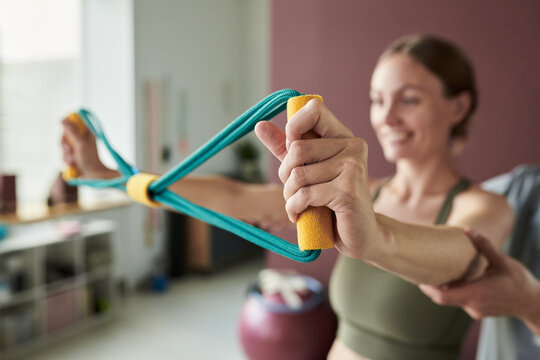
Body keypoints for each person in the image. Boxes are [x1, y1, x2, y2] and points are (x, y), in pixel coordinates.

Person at [61, 34, 514, 360]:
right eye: (377, 100)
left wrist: (374, 238)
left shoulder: (484, 207)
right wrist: (113, 177)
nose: (387, 116)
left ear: (458, 106)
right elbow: (239, 198)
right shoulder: (361, 197)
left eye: (408, 99)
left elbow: (460, 257)